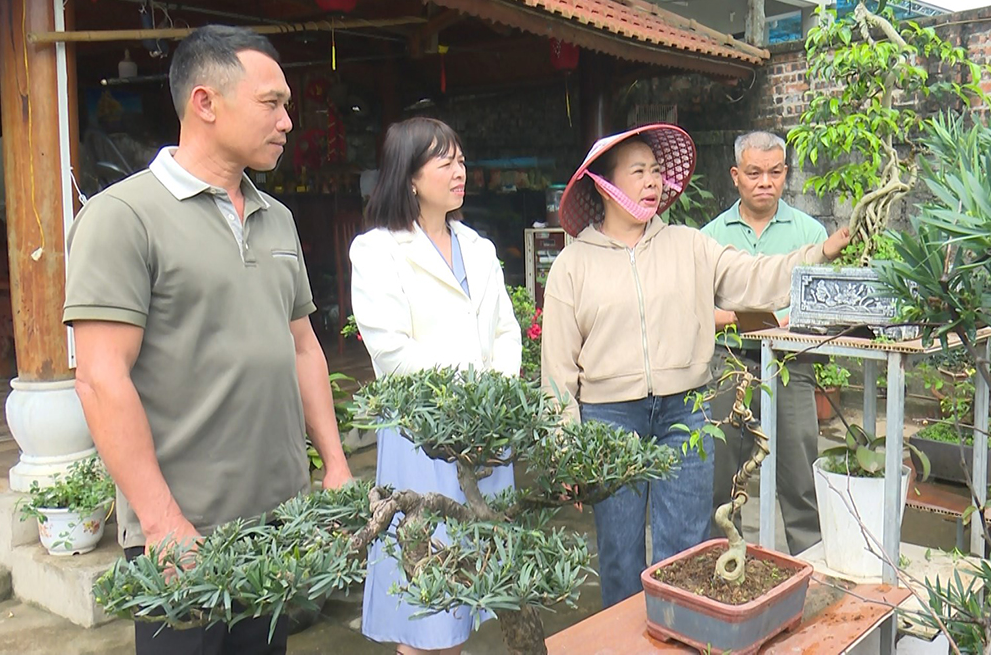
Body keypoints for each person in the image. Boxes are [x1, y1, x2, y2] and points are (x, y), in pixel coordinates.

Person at [63, 25, 352, 655]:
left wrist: (334, 466)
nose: (287, 122)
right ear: (206, 102)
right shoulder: (123, 216)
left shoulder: (277, 217)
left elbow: (303, 346)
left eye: (287, 107)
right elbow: (99, 377)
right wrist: (163, 521)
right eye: (271, 103)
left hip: (277, 520)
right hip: (184, 533)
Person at [540, 124, 851, 608]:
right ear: (604, 184)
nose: (652, 181)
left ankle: (681, 634)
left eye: (656, 171)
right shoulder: (572, 264)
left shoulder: (689, 245)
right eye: (638, 171)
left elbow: (752, 277)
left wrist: (820, 252)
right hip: (608, 420)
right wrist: (564, 445)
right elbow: (558, 369)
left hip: (684, 412)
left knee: (684, 551)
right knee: (620, 554)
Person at [350, 117, 522, 655]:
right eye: (444, 161)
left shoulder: (479, 247)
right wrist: (465, 399)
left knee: (480, 585)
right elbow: (392, 351)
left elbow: (506, 333)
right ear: (409, 176)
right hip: (425, 437)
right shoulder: (377, 250)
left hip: (488, 434)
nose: (459, 170)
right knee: (428, 600)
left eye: (462, 159)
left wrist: (493, 403)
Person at [703, 131, 829, 554]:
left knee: (799, 473)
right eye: (754, 173)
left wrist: (786, 321)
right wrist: (752, 319)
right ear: (735, 175)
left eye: (775, 172)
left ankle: (811, 559)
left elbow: (820, 306)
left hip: (791, 363)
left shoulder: (811, 233)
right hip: (728, 363)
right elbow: (697, 309)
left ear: (785, 174)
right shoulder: (710, 236)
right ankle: (722, 560)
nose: (765, 182)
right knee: (723, 475)